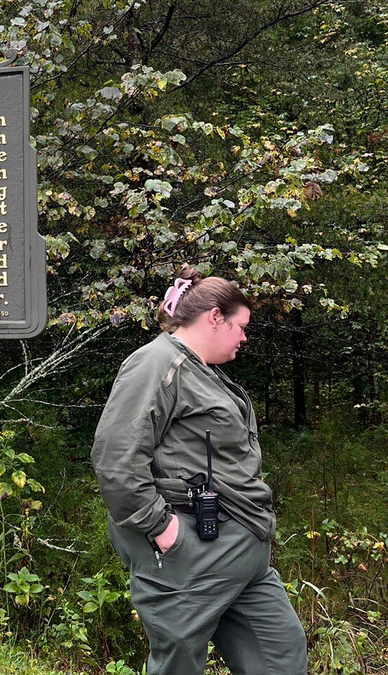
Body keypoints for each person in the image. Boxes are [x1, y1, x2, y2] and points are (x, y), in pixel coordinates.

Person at [91, 266, 307, 675]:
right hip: (193, 553)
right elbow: (116, 457)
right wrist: (161, 528)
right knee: (180, 665)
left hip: (242, 555)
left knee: (281, 649)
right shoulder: (156, 363)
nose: (245, 336)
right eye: (240, 326)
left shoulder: (203, 370)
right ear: (214, 317)